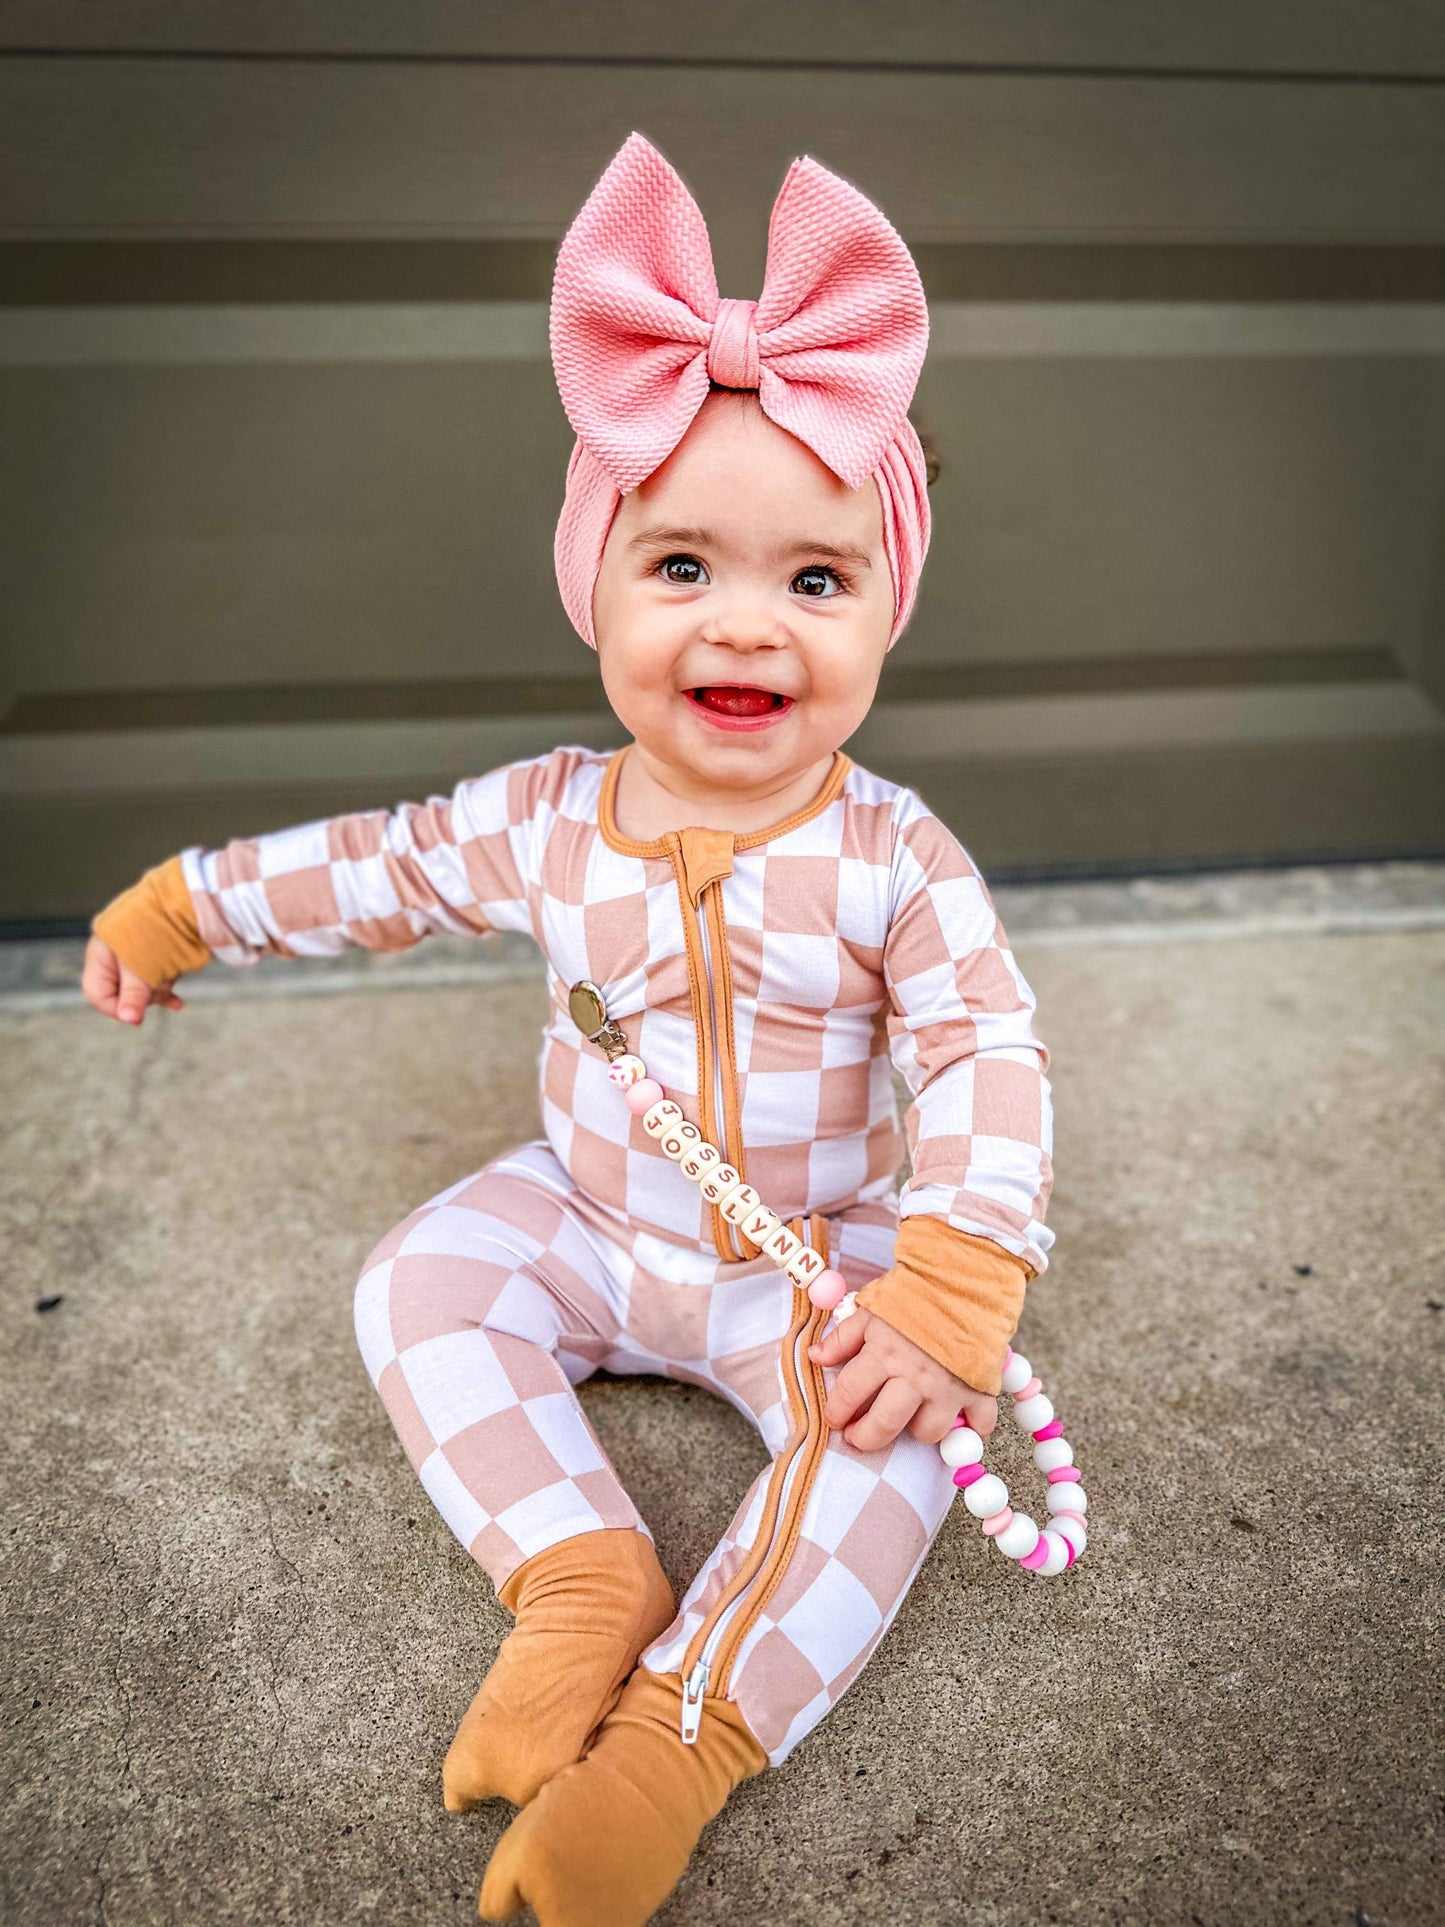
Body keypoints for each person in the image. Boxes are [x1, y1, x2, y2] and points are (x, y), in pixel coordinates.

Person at [83, 133, 1055, 1927]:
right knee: (418, 1285)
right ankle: (580, 1575)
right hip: (596, 1216)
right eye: (680, 566)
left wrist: (948, 1290)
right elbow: (369, 868)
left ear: (884, 611)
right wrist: (185, 906)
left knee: (905, 1448)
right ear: (592, 588)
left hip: (812, 1261)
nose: (745, 622)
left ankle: (676, 1745)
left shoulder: (892, 855)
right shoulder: (546, 817)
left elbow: (986, 1053)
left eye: (815, 582)